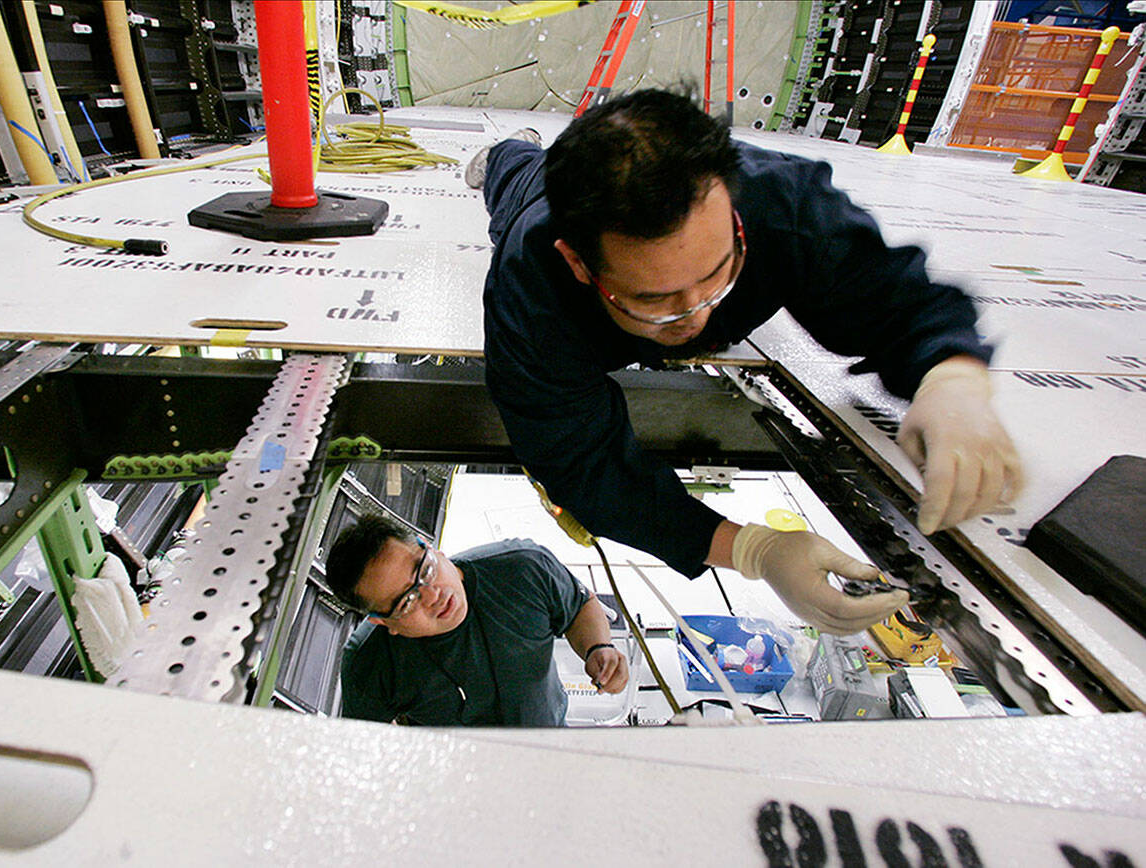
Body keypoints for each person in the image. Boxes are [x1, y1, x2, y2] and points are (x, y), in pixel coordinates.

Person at [470, 89, 1022, 635]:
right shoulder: (530, 289)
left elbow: (890, 294)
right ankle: (507, 153)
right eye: (654, 298)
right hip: (532, 199)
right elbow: (582, 466)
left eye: (716, 274)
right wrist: (753, 550)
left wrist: (950, 378)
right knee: (517, 178)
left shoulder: (781, 201)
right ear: (580, 265)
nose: (695, 317)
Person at [327, 515, 628, 726]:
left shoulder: (522, 567)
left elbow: (580, 604)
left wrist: (597, 648)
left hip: (555, 748)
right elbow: (363, 744)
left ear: (431, 548)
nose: (433, 596)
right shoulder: (369, 663)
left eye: (426, 570)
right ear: (383, 622)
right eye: (407, 601)